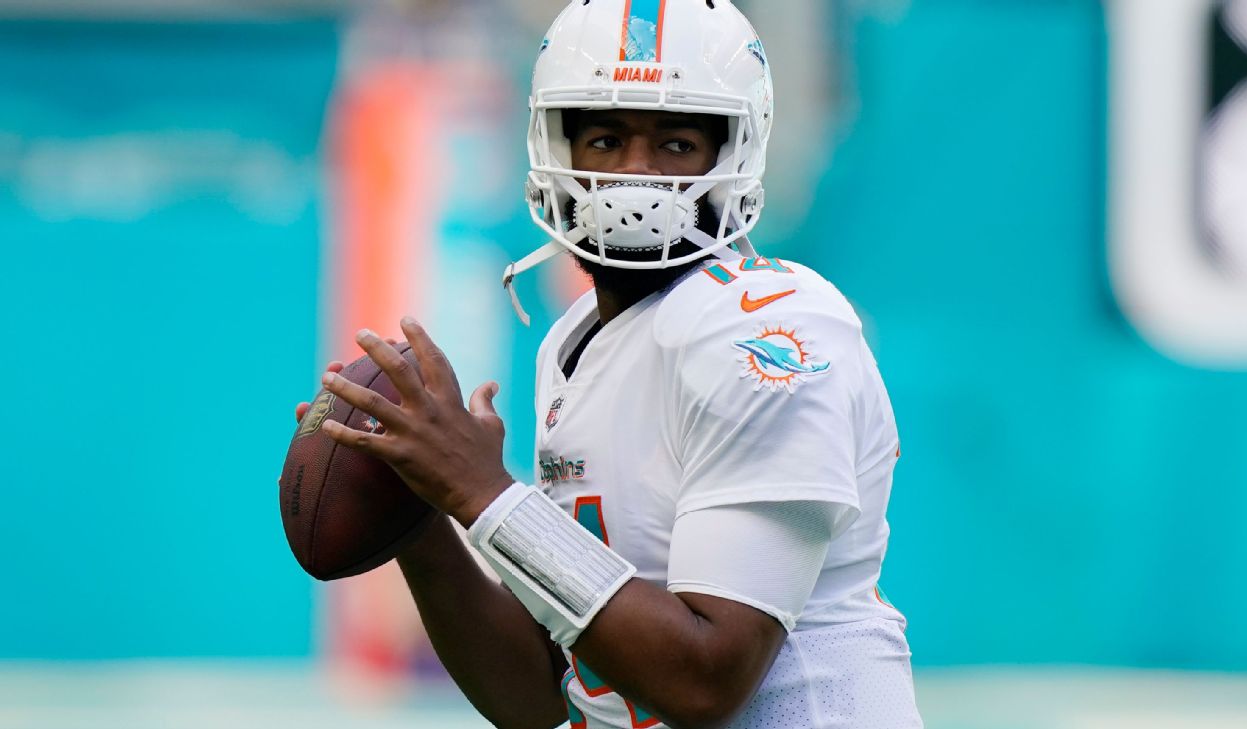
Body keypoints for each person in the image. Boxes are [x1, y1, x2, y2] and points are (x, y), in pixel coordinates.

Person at [300, 1, 922, 726]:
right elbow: (543, 694)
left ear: (732, 156)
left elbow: (707, 679)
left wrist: (485, 494)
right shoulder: (574, 341)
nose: (636, 176)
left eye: (678, 143)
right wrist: (420, 517)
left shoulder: (772, 329)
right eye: (605, 137)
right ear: (556, 148)